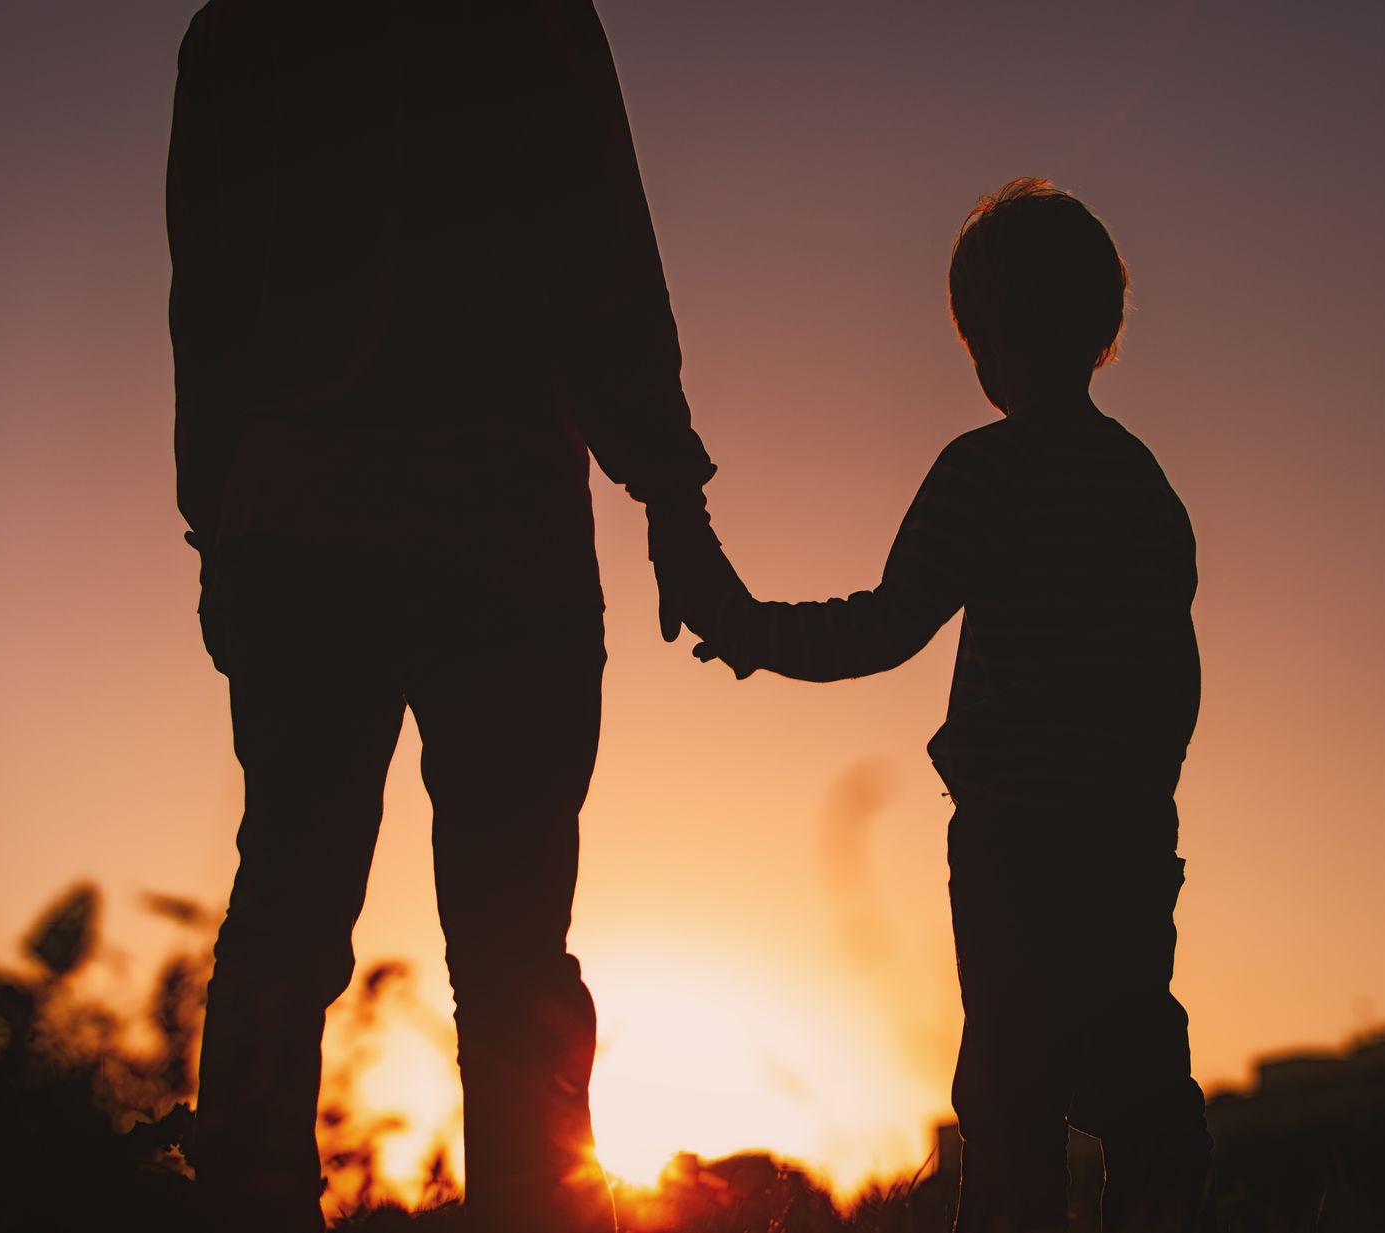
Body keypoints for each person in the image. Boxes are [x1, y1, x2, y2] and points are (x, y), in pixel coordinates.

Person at [165, 3, 716, 1229]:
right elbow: (602, 256)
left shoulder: (236, 34)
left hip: (301, 529)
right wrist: (669, 492)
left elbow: (204, 307)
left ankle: (248, 1198)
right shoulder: (524, 18)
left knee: (285, 915)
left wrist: (219, 519)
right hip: (497, 529)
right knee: (513, 944)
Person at [668, 179, 1212, 1232]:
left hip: (1015, 847)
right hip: (1128, 841)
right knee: (1145, 1097)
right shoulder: (1142, 488)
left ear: (1001, 338)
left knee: (1012, 1108)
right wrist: (1142, 801)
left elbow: (883, 627)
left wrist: (746, 629)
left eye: (985, 332)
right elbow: (1172, 684)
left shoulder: (986, 472)